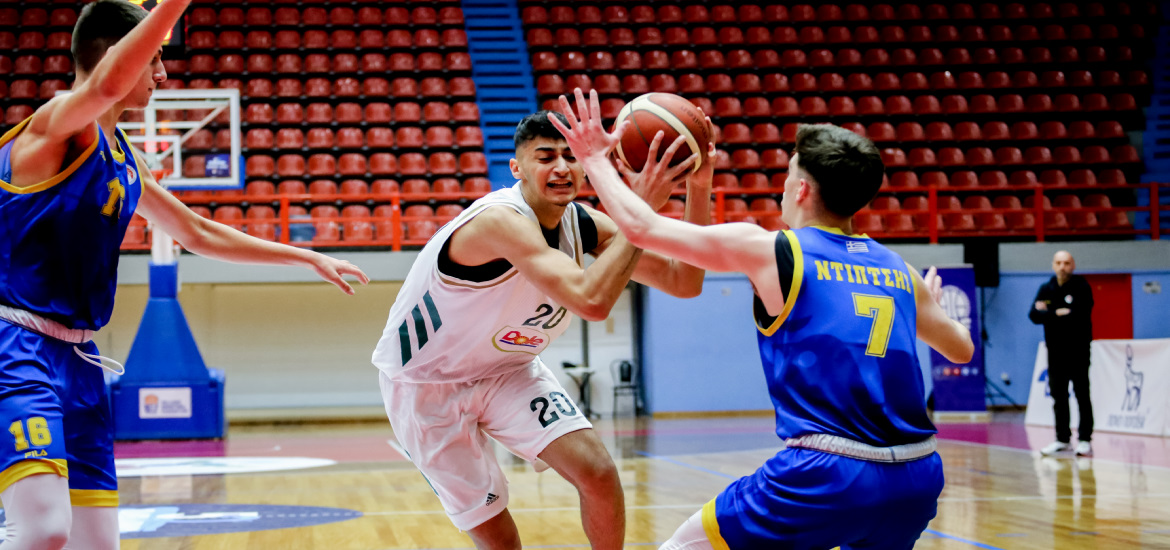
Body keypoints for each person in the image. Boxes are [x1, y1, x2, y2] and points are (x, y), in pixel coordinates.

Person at [0, 2, 369, 548]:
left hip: (79, 359)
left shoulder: (124, 156)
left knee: (98, 542)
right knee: (44, 530)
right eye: (153, 59)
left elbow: (197, 232)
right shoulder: (55, 125)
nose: (163, 74)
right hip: (16, 345)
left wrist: (304, 256)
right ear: (118, 55)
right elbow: (104, 87)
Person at [557, 98, 974, 550]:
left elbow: (640, 228)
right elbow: (961, 349)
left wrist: (593, 158)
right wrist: (929, 304)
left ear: (801, 190)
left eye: (789, 174)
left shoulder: (776, 249)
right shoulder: (899, 270)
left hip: (828, 473)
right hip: (916, 476)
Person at [371, 92, 714, 549]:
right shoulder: (499, 221)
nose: (561, 167)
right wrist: (641, 209)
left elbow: (684, 281)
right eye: (545, 156)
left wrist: (699, 186)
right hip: (426, 383)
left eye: (571, 156)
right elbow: (591, 302)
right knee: (499, 537)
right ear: (517, 168)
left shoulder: (582, 223)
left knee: (598, 473)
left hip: (507, 370)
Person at [1030, 251, 1094, 456]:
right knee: (1058, 395)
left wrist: (1048, 313)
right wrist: (1057, 312)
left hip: (1078, 350)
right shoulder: (1046, 288)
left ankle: (1084, 439)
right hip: (1055, 351)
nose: (1062, 267)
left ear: (1072, 265)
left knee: (1082, 394)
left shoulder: (1081, 287)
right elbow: (1033, 315)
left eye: (1066, 263)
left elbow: (1079, 315)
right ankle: (1062, 438)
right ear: (1053, 265)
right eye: (1058, 263)